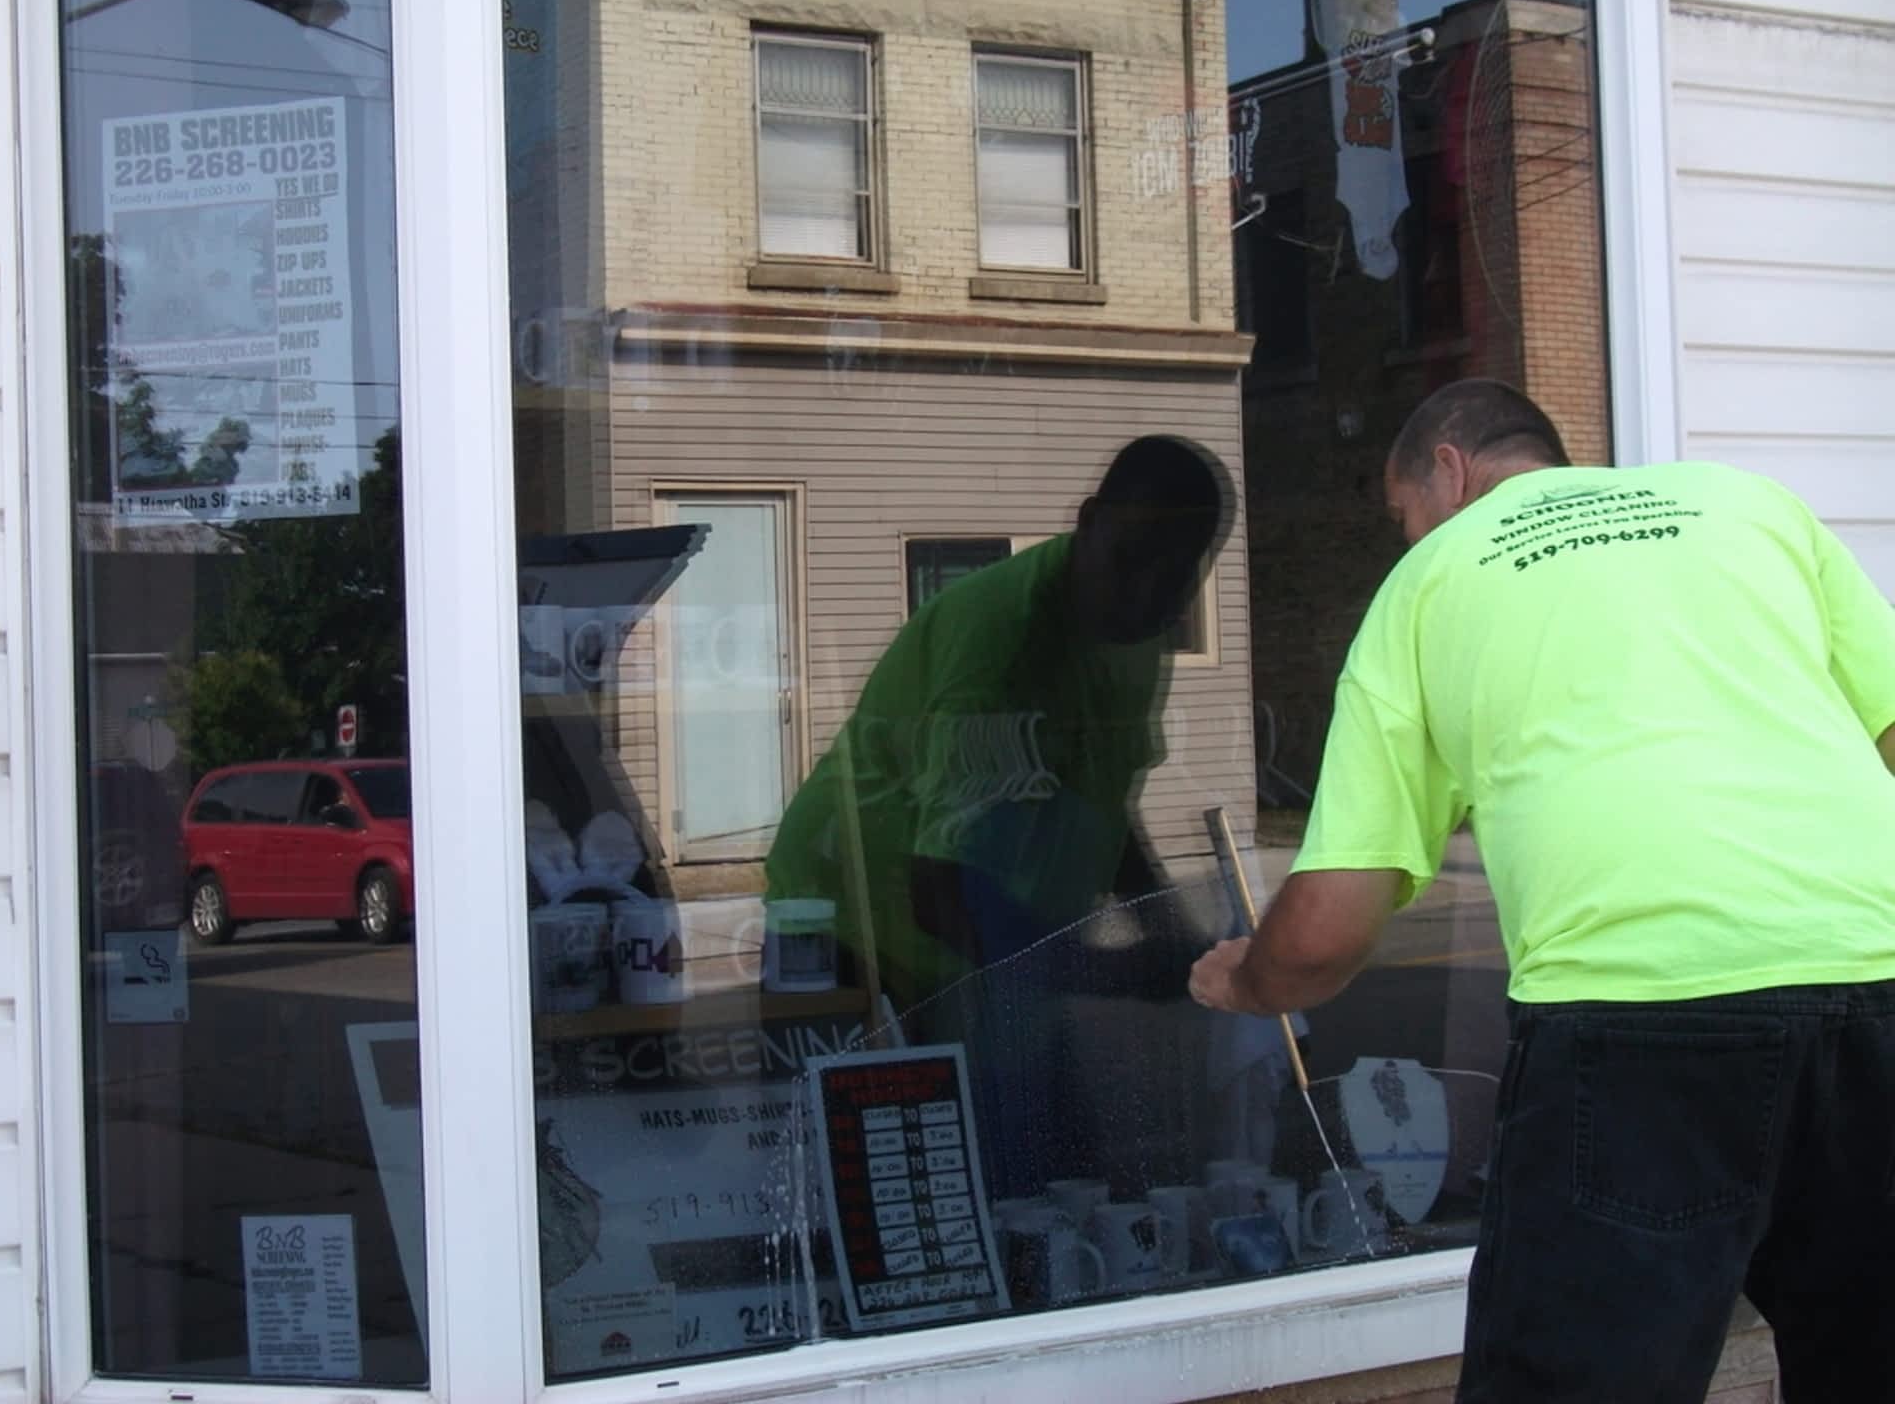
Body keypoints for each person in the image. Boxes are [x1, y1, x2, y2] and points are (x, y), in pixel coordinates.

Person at [1187, 378, 1895, 1402]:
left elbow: (1322, 933)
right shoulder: (1749, 507)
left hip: (1639, 1021)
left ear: (1446, 467)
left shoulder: (1431, 581)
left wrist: (1242, 985)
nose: (1405, 536)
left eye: (1398, 513)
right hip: (1876, 982)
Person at [767, 435, 1230, 1192]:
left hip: (996, 930)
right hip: (858, 921)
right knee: (917, 1185)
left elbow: (1102, 803)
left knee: (1053, 1175)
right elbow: (938, 891)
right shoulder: (1002, 639)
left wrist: (1170, 932)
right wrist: (1105, 972)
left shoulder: (1131, 634)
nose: (1146, 595)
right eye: (1129, 560)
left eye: (1175, 575)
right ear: (1087, 524)